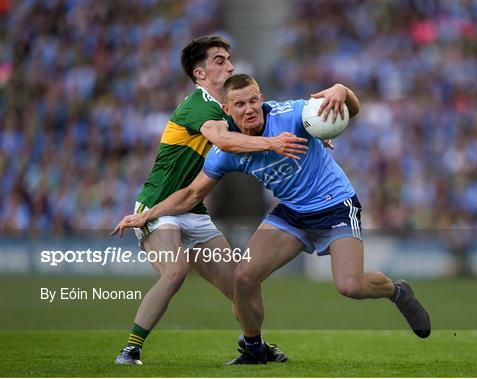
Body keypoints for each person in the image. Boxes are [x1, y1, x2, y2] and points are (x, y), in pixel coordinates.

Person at [112, 74, 431, 365]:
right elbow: (193, 194)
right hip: (291, 213)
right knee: (243, 277)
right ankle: (252, 349)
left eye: (254, 100)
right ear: (227, 108)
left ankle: (397, 291)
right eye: (240, 104)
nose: (250, 108)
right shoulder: (226, 151)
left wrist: (342, 91)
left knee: (350, 286)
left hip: (334, 205)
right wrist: (148, 214)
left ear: (261, 97)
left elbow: (350, 111)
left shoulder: (291, 114)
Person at [114, 36, 343, 365]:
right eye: (219, 60)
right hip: (158, 207)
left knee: (243, 283)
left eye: (229, 59)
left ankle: (256, 346)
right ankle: (131, 349)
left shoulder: (230, 107)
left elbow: (265, 116)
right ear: (200, 73)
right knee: (175, 271)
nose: (230, 65)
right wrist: (274, 144)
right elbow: (224, 140)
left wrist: (306, 134)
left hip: (193, 208)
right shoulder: (198, 105)